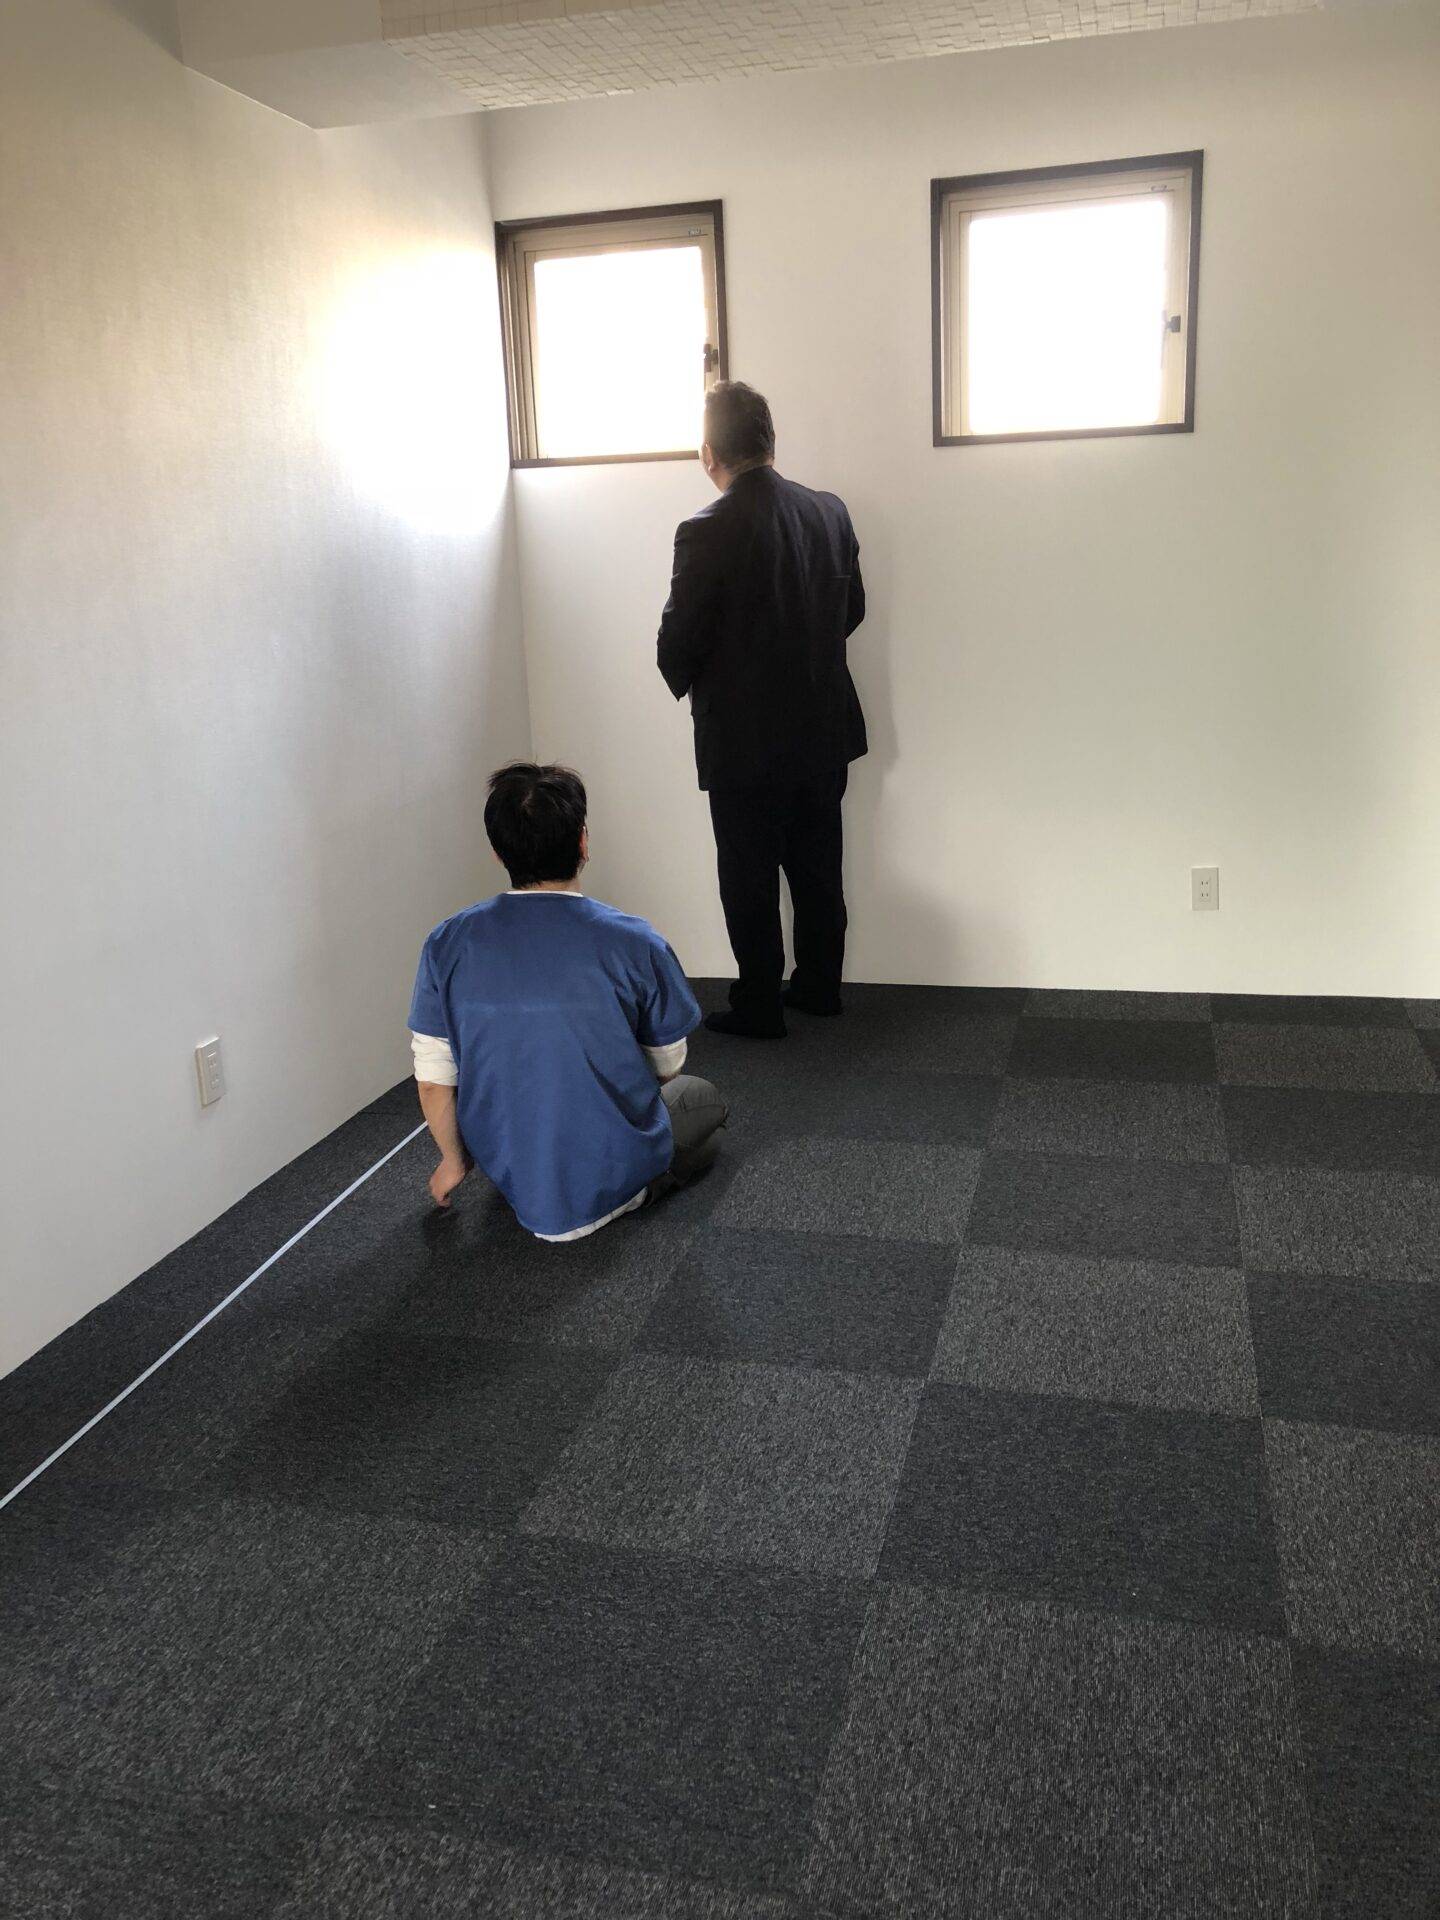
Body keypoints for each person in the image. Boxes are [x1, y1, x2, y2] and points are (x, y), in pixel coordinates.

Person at [408, 762, 727, 1241]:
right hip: (614, 1172)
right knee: (704, 1099)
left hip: (506, 1167)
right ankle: (636, 1185)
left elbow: (434, 1081)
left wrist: (453, 1163)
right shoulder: (637, 941)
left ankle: (534, 1171)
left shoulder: (446, 942)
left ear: (498, 851)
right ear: (583, 842)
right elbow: (667, 1066)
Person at [656, 381, 867, 1039]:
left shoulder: (705, 529)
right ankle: (820, 988)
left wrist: (698, 675)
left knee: (748, 876)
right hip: (823, 725)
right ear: (771, 443)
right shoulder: (830, 512)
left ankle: (759, 1005)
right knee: (818, 864)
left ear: (708, 454)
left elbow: (678, 642)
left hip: (743, 739)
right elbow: (852, 610)